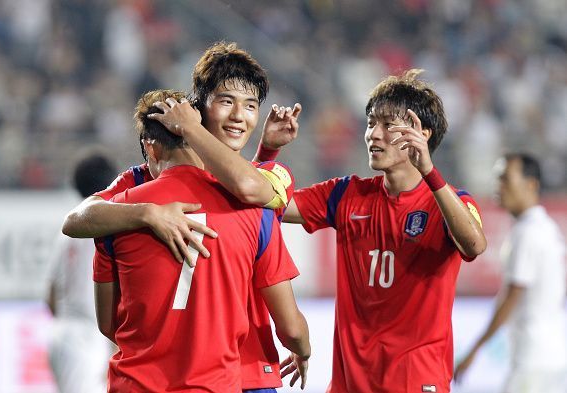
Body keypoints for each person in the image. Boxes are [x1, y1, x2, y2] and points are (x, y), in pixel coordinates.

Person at [162, 69, 487, 392]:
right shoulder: (348, 194)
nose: (374, 134)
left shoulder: (451, 202)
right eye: (372, 122)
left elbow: (474, 244)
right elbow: (263, 205)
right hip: (349, 383)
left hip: (416, 381)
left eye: (388, 125)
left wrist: (428, 171)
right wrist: (267, 153)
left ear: (422, 133)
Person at [62, 42, 306, 391]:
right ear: (198, 110)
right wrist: (149, 214)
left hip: (243, 368)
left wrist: (264, 152)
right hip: (212, 375)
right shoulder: (140, 181)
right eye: (226, 101)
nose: (239, 115)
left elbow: (247, 186)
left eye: (250, 106)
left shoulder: (266, 178)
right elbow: (76, 218)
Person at [454, 153, 567, 393]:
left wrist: (474, 351)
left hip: (532, 360)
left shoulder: (527, 233)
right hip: (551, 355)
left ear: (531, 185)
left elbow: (511, 297)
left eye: (505, 179)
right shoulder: (545, 227)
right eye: (497, 179)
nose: (499, 186)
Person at [45, 151, 116, 393]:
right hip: (87, 337)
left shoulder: (67, 231)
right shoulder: (106, 226)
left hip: (60, 331)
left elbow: (51, 297)